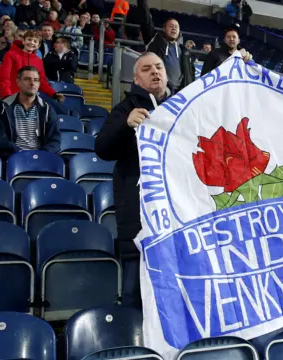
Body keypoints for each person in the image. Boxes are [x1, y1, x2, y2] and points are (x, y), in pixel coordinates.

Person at [95, 52, 173, 308]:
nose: (155, 72)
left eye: (159, 67)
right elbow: (103, 149)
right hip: (138, 216)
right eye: (147, 69)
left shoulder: (182, 105)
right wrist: (125, 125)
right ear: (136, 77)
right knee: (135, 294)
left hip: (175, 216)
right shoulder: (125, 108)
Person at [0, 66, 60, 157]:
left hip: (41, 156)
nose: (32, 83)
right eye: (27, 79)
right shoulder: (5, 106)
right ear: (18, 82)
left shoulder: (47, 109)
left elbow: (55, 141)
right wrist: (17, 151)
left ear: (39, 84)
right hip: (12, 156)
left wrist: (41, 154)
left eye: (35, 80)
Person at [137, 0, 193, 91]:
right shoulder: (154, 40)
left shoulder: (185, 51)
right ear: (164, 28)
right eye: (171, 26)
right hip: (159, 91)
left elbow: (190, 75)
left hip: (179, 94)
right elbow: (145, 18)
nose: (174, 28)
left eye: (176, 27)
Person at [0, 29, 63, 100]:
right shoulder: (10, 55)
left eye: (35, 41)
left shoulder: (38, 60)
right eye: (29, 39)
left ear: (38, 45)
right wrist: (6, 96)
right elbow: (4, 78)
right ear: (23, 41)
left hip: (31, 98)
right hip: (12, 97)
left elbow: (42, 81)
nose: (32, 42)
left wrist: (53, 93)